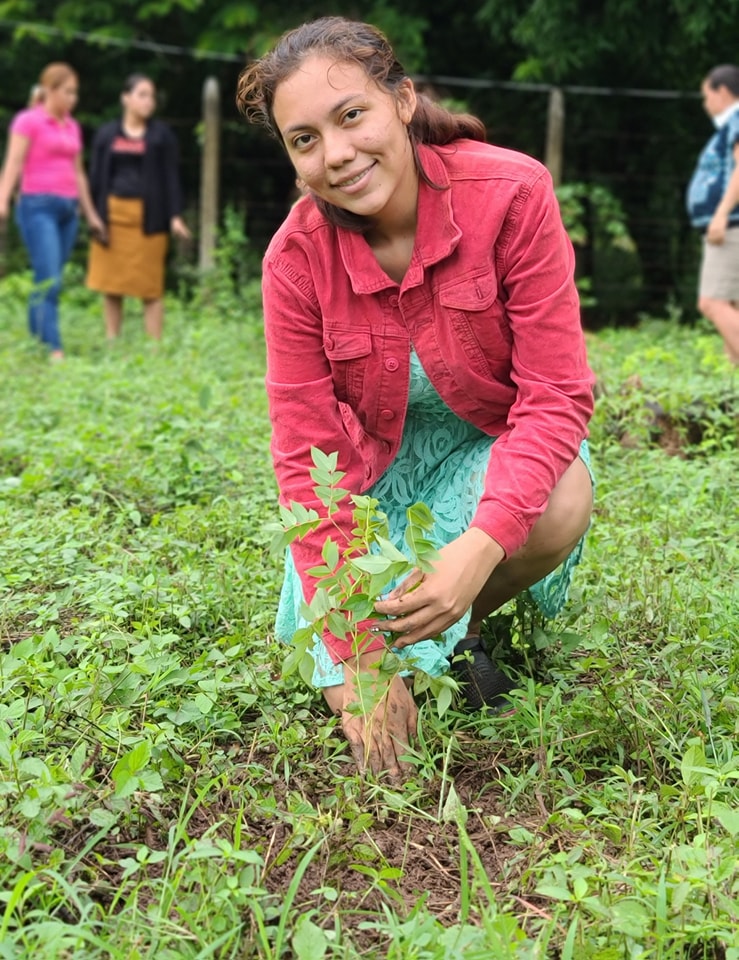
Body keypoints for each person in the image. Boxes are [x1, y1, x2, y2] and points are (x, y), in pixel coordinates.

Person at [236, 17, 595, 780]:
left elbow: (556, 395)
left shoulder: (511, 194)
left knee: (560, 496)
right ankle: (422, 642)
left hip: (490, 452)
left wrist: (481, 545)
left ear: (401, 101)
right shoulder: (294, 261)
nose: (337, 153)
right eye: (304, 140)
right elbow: (306, 461)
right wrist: (359, 655)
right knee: (359, 705)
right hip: (375, 484)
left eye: (351, 115)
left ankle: (458, 622)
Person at [0, 62, 105, 361]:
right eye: (67, 92)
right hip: (38, 206)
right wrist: (2, 200)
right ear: (49, 90)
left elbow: (79, 173)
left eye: (75, 93)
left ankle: (38, 340)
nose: (73, 98)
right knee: (50, 280)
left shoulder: (71, 126)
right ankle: (54, 349)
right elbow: (13, 162)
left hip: (68, 210)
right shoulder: (28, 121)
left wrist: (91, 215)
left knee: (49, 277)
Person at [85, 74, 190, 342]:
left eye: (151, 96)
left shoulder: (161, 136)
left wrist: (175, 216)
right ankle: (112, 340)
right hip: (112, 218)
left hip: (149, 220)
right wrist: (92, 215)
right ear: (125, 98)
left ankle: (154, 346)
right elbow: (95, 178)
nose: (148, 101)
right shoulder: (107, 135)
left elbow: (171, 178)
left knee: (151, 286)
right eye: (142, 95)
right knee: (111, 285)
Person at [686, 64, 739, 364]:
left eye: (707, 96)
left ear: (723, 91)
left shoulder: (737, 120)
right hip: (730, 224)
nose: (706, 104)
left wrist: (721, 213)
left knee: (712, 302)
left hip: (731, 224)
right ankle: (731, 384)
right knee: (732, 303)